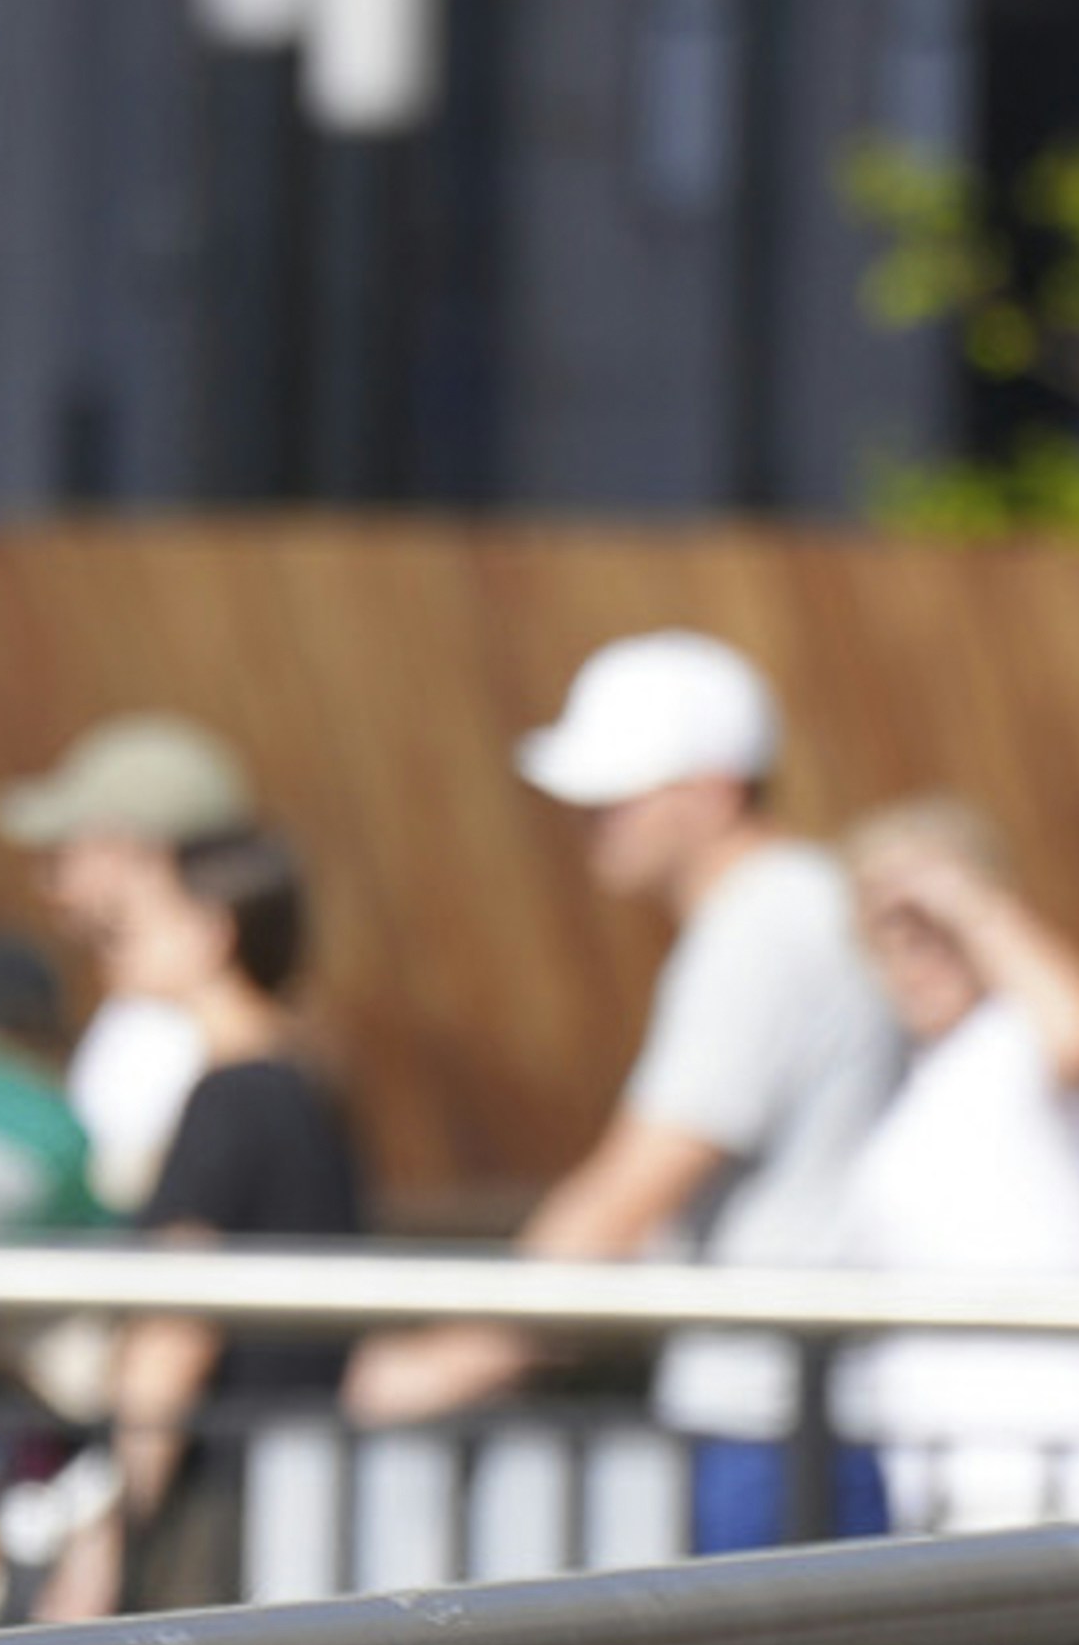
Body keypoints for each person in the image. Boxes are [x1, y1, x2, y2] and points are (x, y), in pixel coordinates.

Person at [341, 628, 902, 1545]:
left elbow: (632, 1186)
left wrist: (452, 1361)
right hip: (788, 1409)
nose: (591, 818)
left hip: (772, 1420)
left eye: (619, 795)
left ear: (713, 791)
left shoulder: (758, 928)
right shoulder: (787, 909)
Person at [29, 820, 366, 1645]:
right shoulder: (311, 1082)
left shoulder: (229, 1094)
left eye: (147, 914)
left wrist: (114, 1524)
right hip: (293, 1490)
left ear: (215, 931)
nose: (115, 939)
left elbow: (174, 1331)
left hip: (214, 1498)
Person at [814, 803, 1079, 1645]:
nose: (912, 950)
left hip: (1045, 1470)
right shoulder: (921, 1078)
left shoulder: (1024, 1040)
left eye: (933, 924)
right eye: (889, 928)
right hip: (947, 1483)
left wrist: (963, 900)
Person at [0, 709, 271, 1211]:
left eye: (62, 854)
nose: (50, 883)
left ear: (132, 853)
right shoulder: (150, 1013)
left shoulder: (189, 1036)